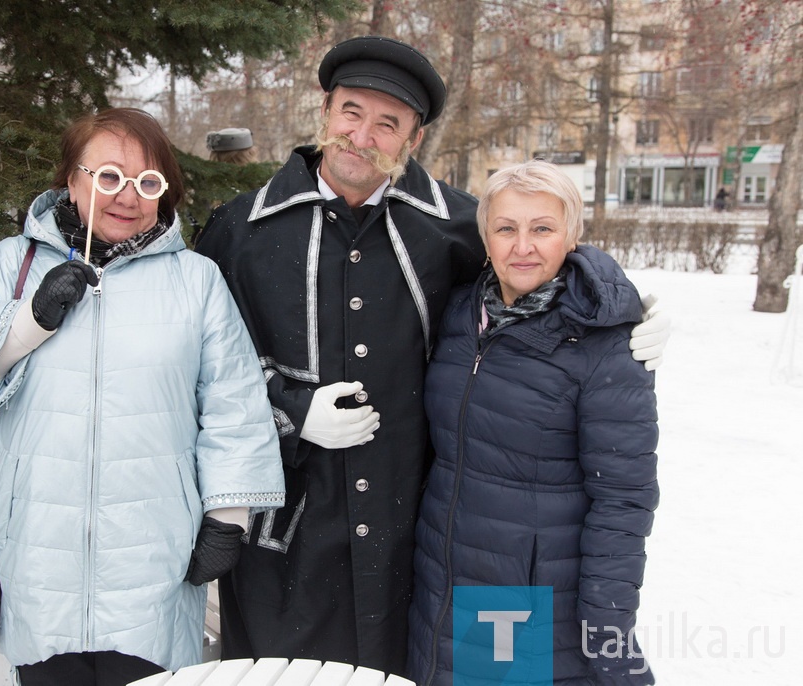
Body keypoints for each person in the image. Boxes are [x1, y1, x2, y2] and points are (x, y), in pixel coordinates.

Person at [196, 36, 668, 676]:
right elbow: (201, 367)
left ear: (412, 139)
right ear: (325, 111)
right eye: (351, 112)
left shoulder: (453, 227)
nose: (363, 135)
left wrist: (623, 307)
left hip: (415, 547)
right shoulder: (240, 228)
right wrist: (292, 411)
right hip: (284, 545)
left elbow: (534, 269)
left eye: (387, 124)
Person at [0, 108, 285, 686]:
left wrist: (228, 517)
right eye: (108, 176)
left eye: (147, 182)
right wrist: (29, 321)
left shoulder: (195, 281)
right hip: (36, 551)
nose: (127, 196)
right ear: (71, 180)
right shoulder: (10, 265)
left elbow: (234, 405)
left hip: (152, 555)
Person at [408, 160, 658, 686]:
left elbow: (624, 497)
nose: (523, 246)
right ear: (486, 240)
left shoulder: (602, 344)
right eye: (506, 228)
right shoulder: (458, 313)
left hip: (516, 594)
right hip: (439, 577)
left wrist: (606, 622)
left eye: (542, 228)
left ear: (571, 235)